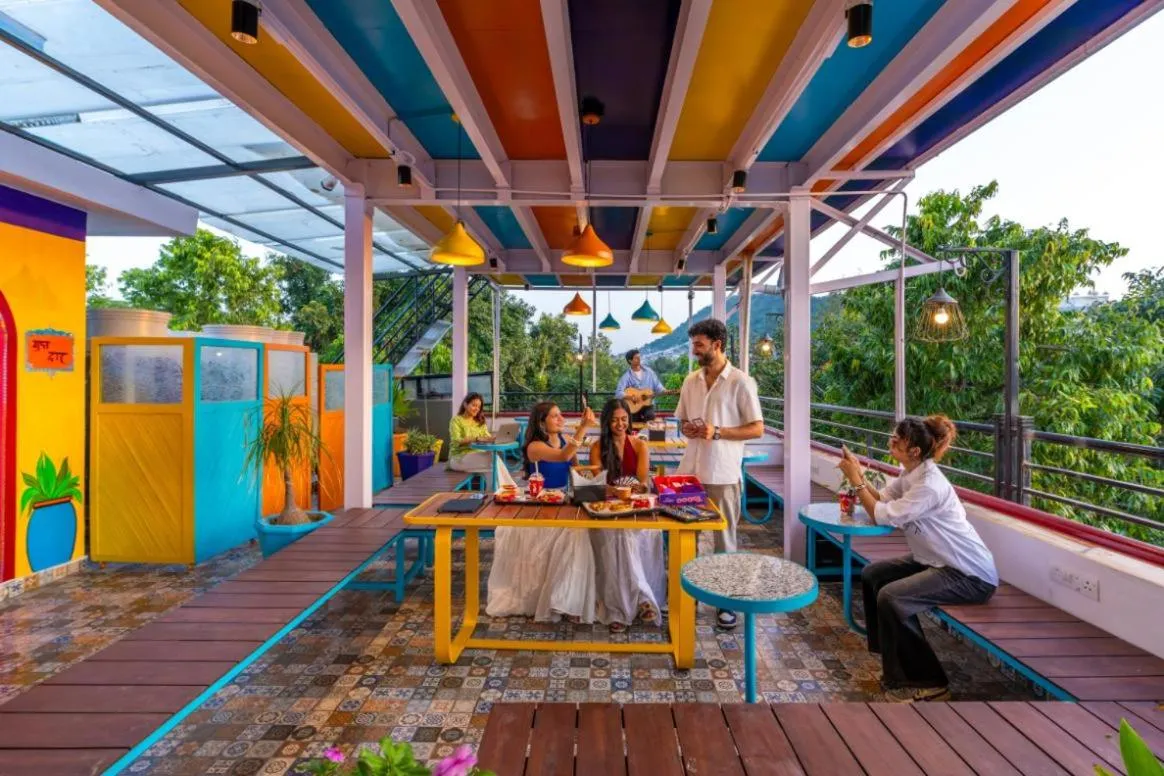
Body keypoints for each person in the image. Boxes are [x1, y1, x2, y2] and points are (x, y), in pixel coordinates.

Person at [838, 415, 998, 703]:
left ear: (914, 451)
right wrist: (859, 476)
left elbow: (878, 514)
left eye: (898, 439)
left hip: (967, 573)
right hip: (934, 560)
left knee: (891, 597)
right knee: (873, 574)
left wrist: (854, 480)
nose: (892, 440)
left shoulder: (929, 486)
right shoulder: (910, 474)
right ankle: (892, 656)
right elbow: (881, 501)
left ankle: (931, 681)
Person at [674, 318, 764, 631]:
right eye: (694, 344)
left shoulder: (741, 382)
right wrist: (687, 428)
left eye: (699, 344)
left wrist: (716, 431)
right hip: (690, 471)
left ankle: (726, 604)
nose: (695, 350)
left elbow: (757, 427)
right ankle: (692, 594)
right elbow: (683, 421)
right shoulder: (690, 381)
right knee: (690, 537)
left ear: (717, 344)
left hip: (724, 473)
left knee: (724, 540)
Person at [486, 402, 598, 623]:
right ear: (541, 421)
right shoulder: (534, 446)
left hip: (562, 503)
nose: (560, 419)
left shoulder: (566, 440)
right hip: (539, 507)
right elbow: (564, 457)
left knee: (580, 534)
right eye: (554, 416)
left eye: (560, 415)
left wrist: (601, 476)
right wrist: (584, 427)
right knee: (573, 536)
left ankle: (568, 599)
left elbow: (576, 469)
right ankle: (562, 599)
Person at [588, 399, 665, 632]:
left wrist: (634, 491)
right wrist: (614, 491)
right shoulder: (597, 447)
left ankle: (641, 598)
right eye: (614, 420)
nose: (620, 424)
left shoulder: (640, 445)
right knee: (617, 538)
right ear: (606, 422)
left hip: (635, 506)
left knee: (635, 537)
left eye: (624, 419)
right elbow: (596, 483)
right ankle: (618, 606)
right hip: (607, 508)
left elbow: (643, 482)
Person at [615, 349, 670, 423]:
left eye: (639, 357)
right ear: (630, 361)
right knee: (633, 422)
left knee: (650, 416)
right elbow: (618, 393)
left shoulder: (649, 372)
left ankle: (647, 433)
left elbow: (658, 386)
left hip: (648, 405)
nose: (639, 359)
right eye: (636, 358)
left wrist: (665, 391)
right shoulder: (626, 376)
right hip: (633, 407)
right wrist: (631, 397)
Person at [448, 392, 493, 473]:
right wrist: (476, 439)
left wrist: (497, 438)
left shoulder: (480, 421)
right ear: (465, 404)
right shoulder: (456, 420)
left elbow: (487, 437)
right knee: (493, 462)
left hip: (478, 455)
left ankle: (498, 486)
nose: (477, 409)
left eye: (479, 407)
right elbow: (456, 441)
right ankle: (504, 485)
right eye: (474, 405)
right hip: (459, 458)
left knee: (494, 460)